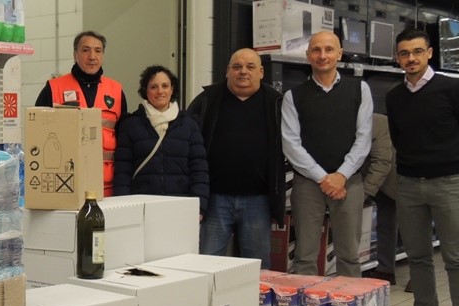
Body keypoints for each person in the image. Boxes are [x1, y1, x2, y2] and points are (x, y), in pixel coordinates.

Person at [386, 28, 459, 306]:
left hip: (448, 183)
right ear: (397, 58)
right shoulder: (394, 97)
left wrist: (450, 159)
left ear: (429, 53)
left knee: (457, 259)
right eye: (404, 53)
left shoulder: (453, 89)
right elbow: (397, 138)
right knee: (418, 258)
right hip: (409, 184)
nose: (410, 58)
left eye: (417, 51)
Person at [281, 31, 373, 278]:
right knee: (304, 256)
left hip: (349, 182)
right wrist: (324, 178)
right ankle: (308, 303)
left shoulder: (360, 90)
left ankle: (349, 303)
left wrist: (341, 176)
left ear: (339, 54)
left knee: (349, 255)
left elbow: (363, 139)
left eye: (329, 49)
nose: (323, 55)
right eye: (316, 50)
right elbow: (291, 144)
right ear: (308, 55)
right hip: (308, 184)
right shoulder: (293, 96)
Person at [187, 48, 284, 269]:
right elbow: (189, 144)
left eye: (250, 67)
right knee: (206, 265)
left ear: (261, 72)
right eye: (237, 67)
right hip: (215, 199)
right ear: (227, 71)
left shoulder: (276, 103)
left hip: (258, 201)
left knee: (257, 268)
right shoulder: (207, 100)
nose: (243, 72)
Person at [36, 31, 128, 197]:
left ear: (103, 55)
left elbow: (125, 142)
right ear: (75, 55)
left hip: (107, 187)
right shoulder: (54, 88)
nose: (92, 56)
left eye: (98, 51)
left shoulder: (116, 90)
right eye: (86, 50)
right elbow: (38, 135)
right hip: (66, 184)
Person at [112, 65, 209, 214]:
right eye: (153, 87)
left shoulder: (189, 125)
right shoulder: (130, 125)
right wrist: (122, 206)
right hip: (141, 206)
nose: (160, 91)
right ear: (145, 91)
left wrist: (200, 207)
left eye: (165, 86)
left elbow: (199, 169)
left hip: (181, 205)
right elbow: (122, 172)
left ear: (172, 89)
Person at [360, 113, 398, 285]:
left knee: (411, 228)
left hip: (396, 178)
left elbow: (382, 163)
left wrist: (364, 193)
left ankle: (419, 277)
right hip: (375, 178)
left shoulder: (378, 121)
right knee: (385, 225)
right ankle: (385, 270)